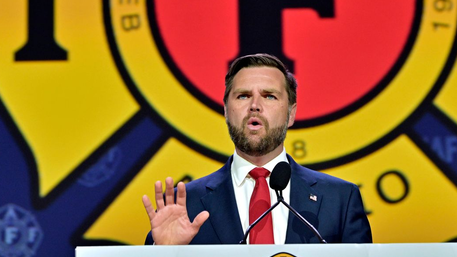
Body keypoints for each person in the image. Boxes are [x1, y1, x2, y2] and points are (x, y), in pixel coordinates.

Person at [143, 53, 372, 245]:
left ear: (291, 114)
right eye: (243, 96)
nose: (254, 106)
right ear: (226, 111)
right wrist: (164, 254)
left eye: (269, 96)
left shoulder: (340, 199)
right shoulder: (186, 204)